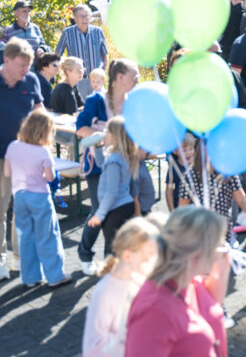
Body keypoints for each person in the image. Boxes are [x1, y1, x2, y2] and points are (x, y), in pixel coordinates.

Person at [125, 206, 230, 356]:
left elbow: (210, 312)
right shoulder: (154, 310)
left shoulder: (191, 280)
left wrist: (223, 269)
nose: (221, 251)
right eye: (218, 245)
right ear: (197, 253)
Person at [77, 58, 140, 276]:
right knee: (99, 210)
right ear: (120, 77)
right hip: (98, 166)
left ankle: (111, 262)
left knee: (117, 214)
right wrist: (102, 137)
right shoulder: (96, 100)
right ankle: (85, 254)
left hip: (125, 167)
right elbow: (80, 129)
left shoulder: (134, 102)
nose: (138, 79)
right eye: (135, 75)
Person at [0, 38, 43, 281]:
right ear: (7, 60)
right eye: (22, 65)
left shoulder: (31, 80)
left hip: (25, 156)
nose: (26, 70)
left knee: (23, 208)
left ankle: (20, 257)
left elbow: (39, 110)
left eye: (29, 65)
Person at [3, 111, 70, 287]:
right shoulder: (43, 152)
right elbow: (49, 178)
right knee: (47, 237)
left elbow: (7, 173)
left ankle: (30, 278)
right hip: (39, 196)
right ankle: (55, 276)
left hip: (19, 197)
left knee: (25, 238)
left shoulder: (12, 146)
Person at [82, 217, 160, 357]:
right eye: (147, 257)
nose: (151, 263)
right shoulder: (106, 292)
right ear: (128, 255)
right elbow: (92, 347)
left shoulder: (139, 281)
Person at [178, 138, 246, 245]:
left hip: (223, 232)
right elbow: (182, 208)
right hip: (199, 234)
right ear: (201, 153)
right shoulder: (191, 176)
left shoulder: (228, 173)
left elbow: (241, 198)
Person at [86, 116, 137, 258]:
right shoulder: (120, 155)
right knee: (120, 247)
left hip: (115, 209)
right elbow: (101, 163)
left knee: (113, 249)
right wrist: (97, 147)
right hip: (124, 206)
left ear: (115, 137)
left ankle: (112, 276)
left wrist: (99, 215)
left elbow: (111, 192)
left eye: (106, 131)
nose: (104, 133)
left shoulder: (114, 160)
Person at [55, 4, 109, 99]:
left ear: (91, 17)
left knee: (99, 109)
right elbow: (57, 55)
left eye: (87, 15)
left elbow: (105, 55)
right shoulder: (67, 33)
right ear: (75, 18)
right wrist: (65, 73)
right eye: (81, 16)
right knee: (79, 109)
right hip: (77, 80)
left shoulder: (98, 31)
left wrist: (103, 73)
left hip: (96, 80)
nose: (84, 18)